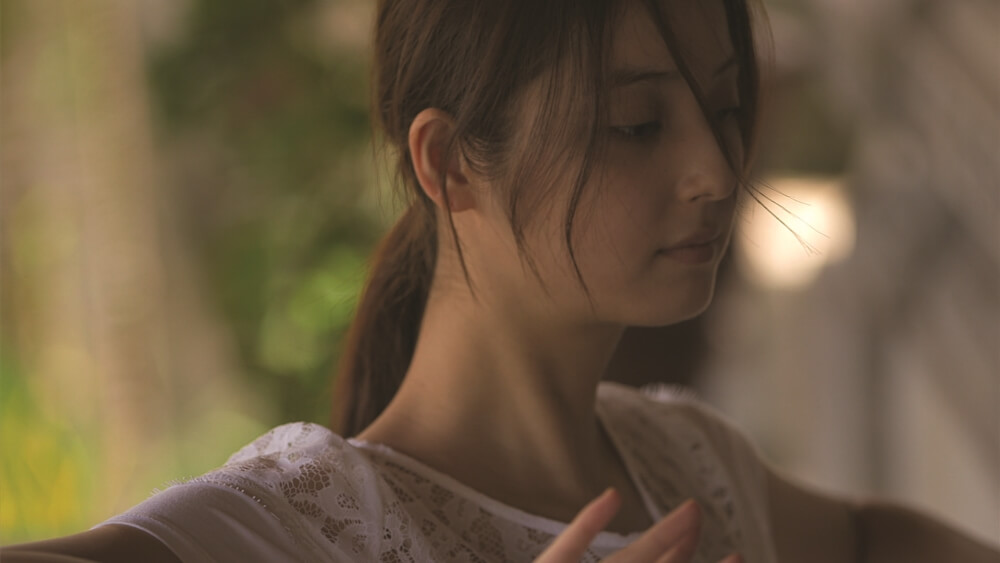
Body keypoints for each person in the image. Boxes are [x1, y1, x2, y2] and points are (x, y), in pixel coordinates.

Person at [5, 0, 999, 561]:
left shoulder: (689, 464)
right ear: (450, 165)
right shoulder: (299, 527)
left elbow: (869, 538)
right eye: (638, 126)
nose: (713, 168)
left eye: (724, 105)